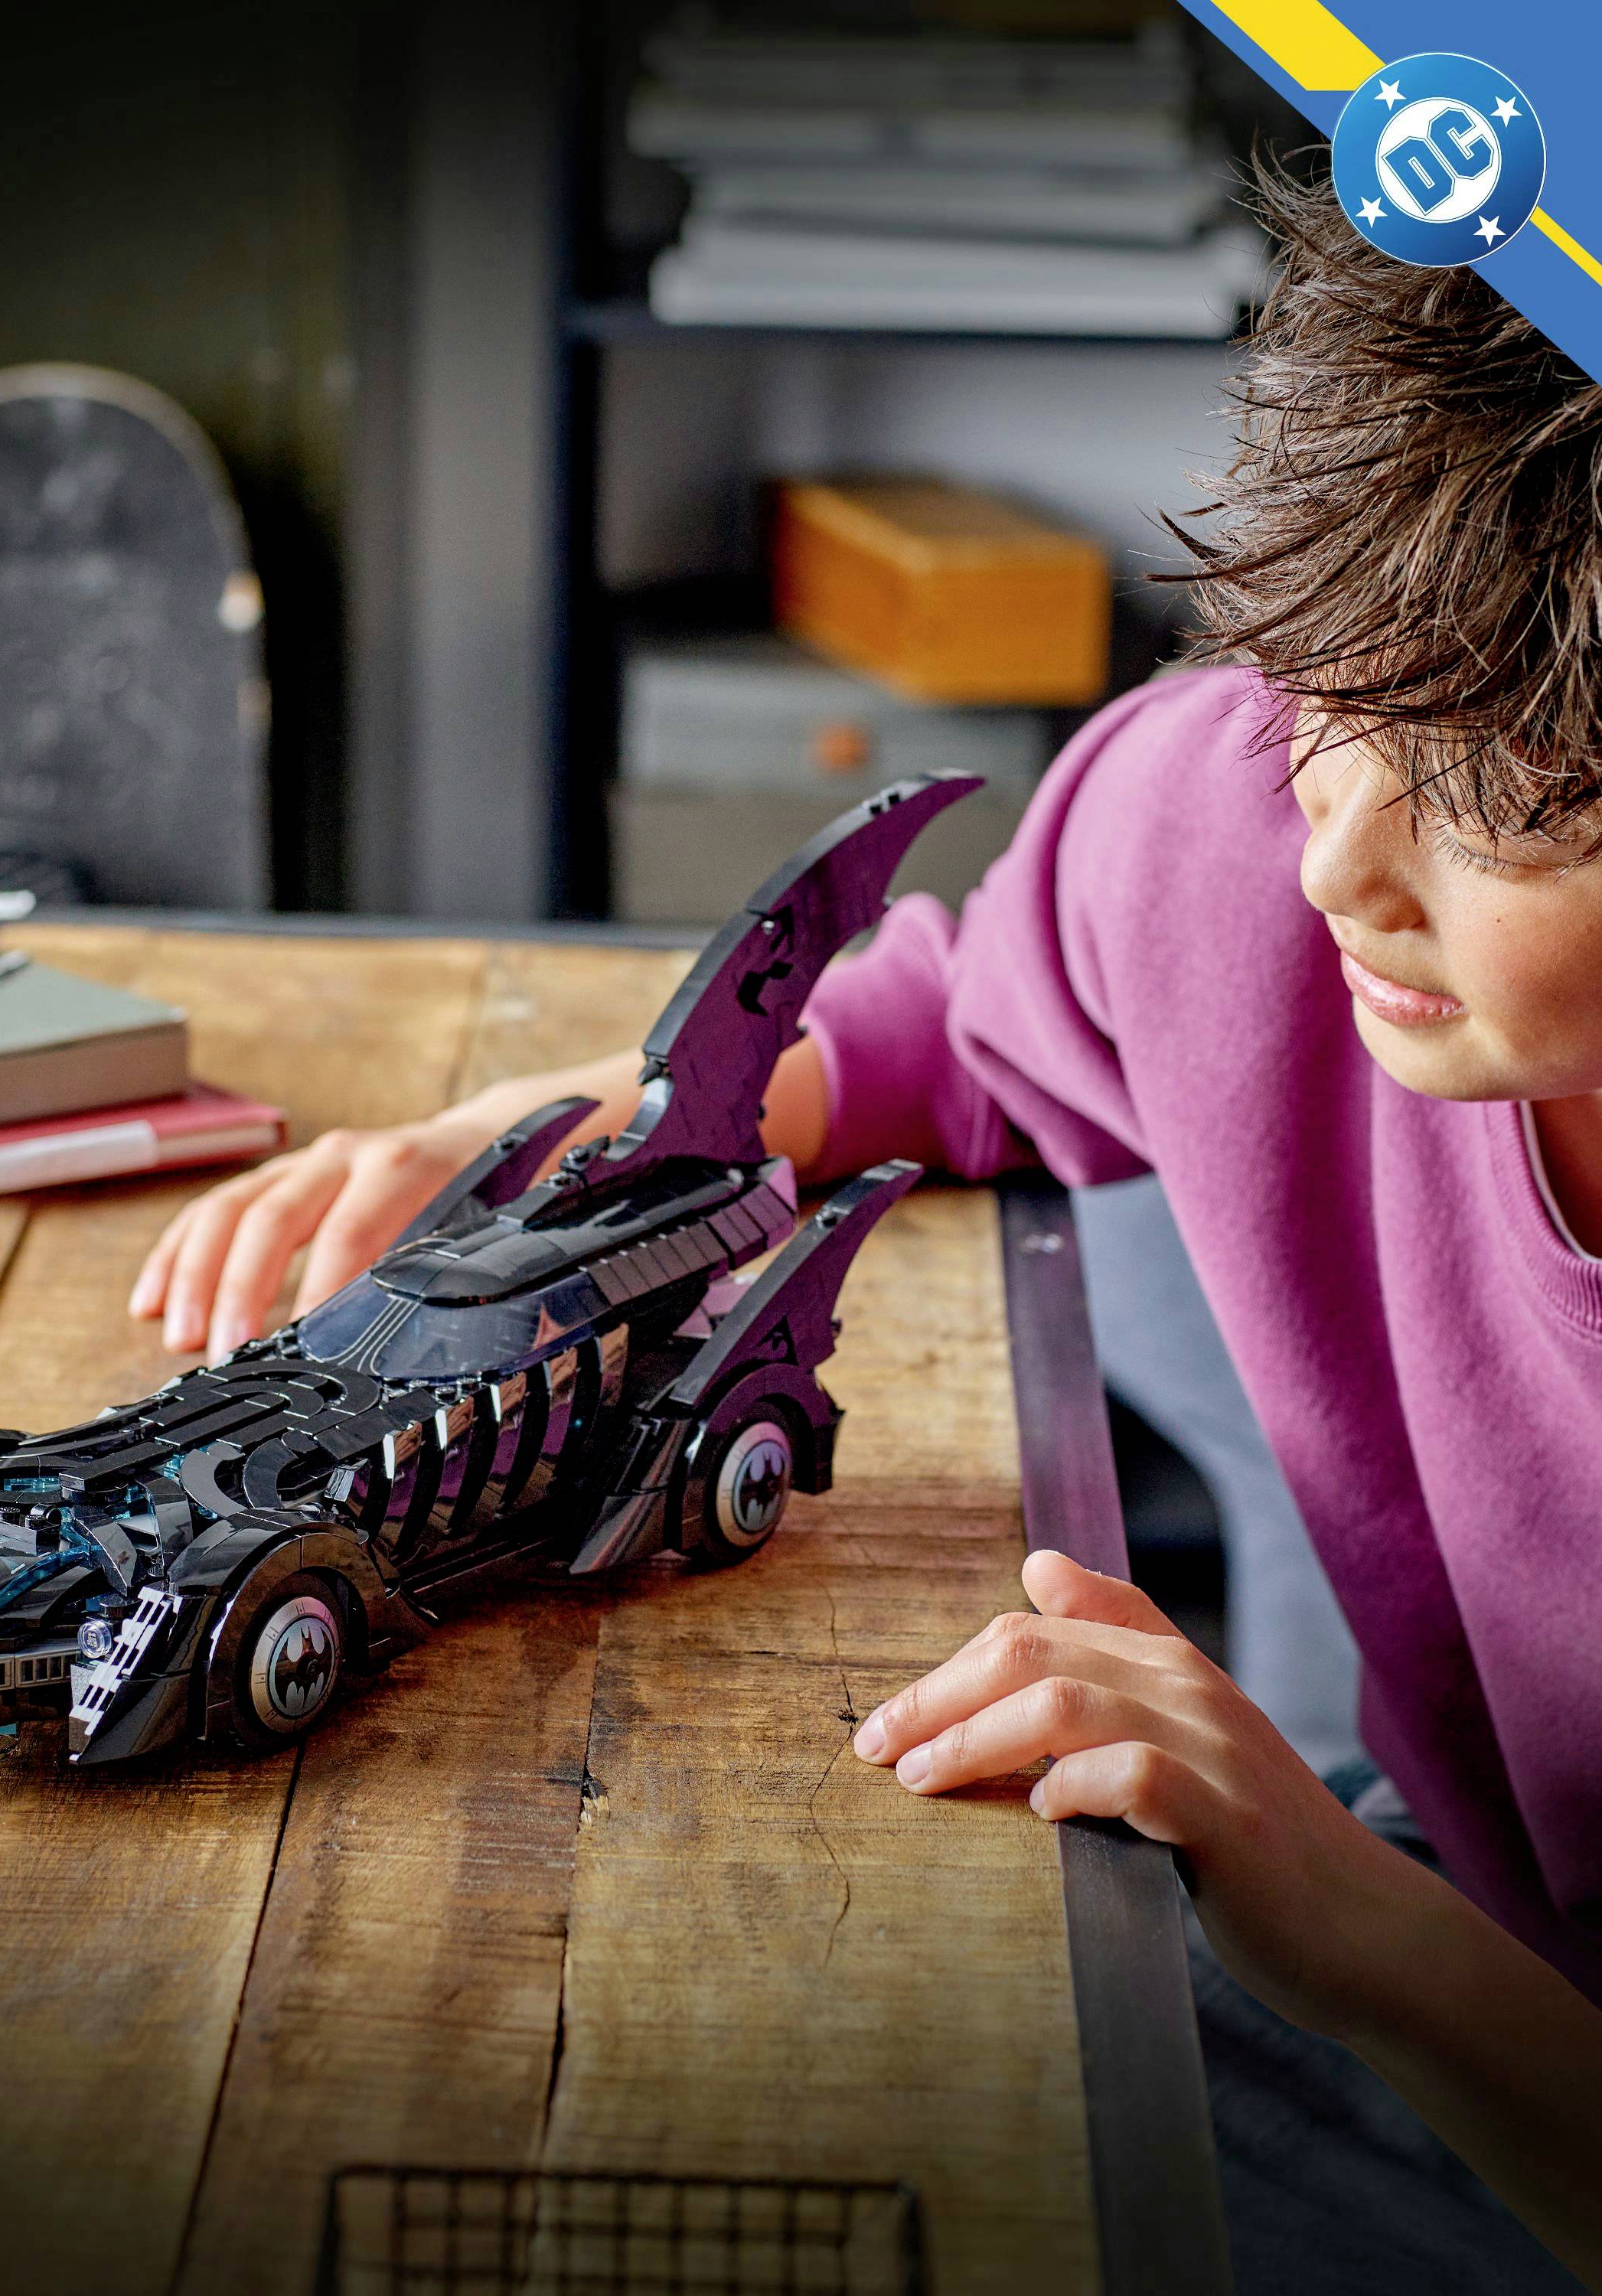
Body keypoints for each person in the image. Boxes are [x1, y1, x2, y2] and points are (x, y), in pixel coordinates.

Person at [130, 168, 1602, 2287]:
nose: (1333, 862)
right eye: (1327, 695)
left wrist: (1350, 1927)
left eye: (1502, 797)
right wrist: (624, 1133)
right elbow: (965, 1017)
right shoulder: (1218, 817)